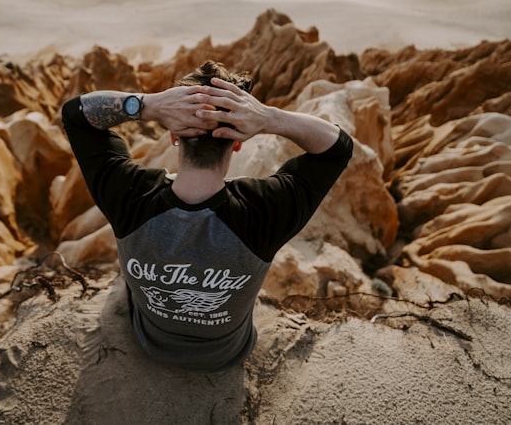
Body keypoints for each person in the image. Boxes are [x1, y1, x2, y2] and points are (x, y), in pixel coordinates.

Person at [60, 61, 352, 371]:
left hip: (151, 344)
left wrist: (148, 105)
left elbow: (75, 115)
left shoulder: (129, 196)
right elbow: (338, 148)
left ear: (174, 135)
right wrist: (268, 118)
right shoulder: (266, 211)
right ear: (238, 143)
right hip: (227, 354)